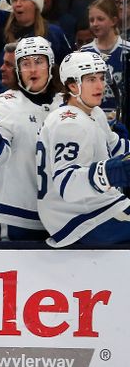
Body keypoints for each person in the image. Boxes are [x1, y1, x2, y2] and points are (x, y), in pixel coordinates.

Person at [37, 51, 130, 247]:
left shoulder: (93, 112)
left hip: (100, 206)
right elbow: (67, 185)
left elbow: (116, 148)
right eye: (90, 79)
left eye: (102, 78)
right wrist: (110, 172)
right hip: (78, 219)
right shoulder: (68, 124)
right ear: (72, 85)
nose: (100, 85)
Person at [0, 37, 61, 241]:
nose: (32, 70)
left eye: (39, 62)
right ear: (18, 70)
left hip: (60, 216)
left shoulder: (64, 104)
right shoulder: (6, 102)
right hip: (16, 215)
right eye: (25, 64)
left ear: (50, 66)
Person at [80, 0, 130, 124]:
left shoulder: (128, 50)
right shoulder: (83, 53)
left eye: (100, 19)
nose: (94, 24)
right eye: (91, 20)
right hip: (92, 121)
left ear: (113, 21)